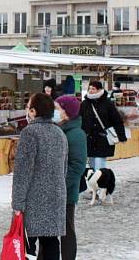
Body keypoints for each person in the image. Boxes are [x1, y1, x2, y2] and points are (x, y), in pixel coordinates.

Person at [12, 93, 68, 260]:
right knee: (51, 242)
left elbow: (23, 172)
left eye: (28, 107)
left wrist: (17, 202)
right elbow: (63, 168)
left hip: (33, 199)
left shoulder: (29, 133)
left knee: (28, 245)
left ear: (34, 111)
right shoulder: (59, 133)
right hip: (55, 197)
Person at [55, 96, 87, 260]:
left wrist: (60, 186)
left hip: (66, 192)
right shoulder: (59, 129)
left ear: (66, 112)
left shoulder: (76, 134)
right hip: (54, 189)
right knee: (50, 232)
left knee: (66, 230)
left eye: (58, 108)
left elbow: (77, 166)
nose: (55, 112)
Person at [80, 80, 127, 170]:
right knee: (92, 165)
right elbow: (80, 119)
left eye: (93, 89)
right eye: (89, 88)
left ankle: (100, 181)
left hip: (103, 139)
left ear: (99, 89)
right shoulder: (85, 104)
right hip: (89, 139)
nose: (90, 90)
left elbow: (117, 120)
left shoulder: (107, 103)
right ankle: (93, 181)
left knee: (99, 165)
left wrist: (122, 136)